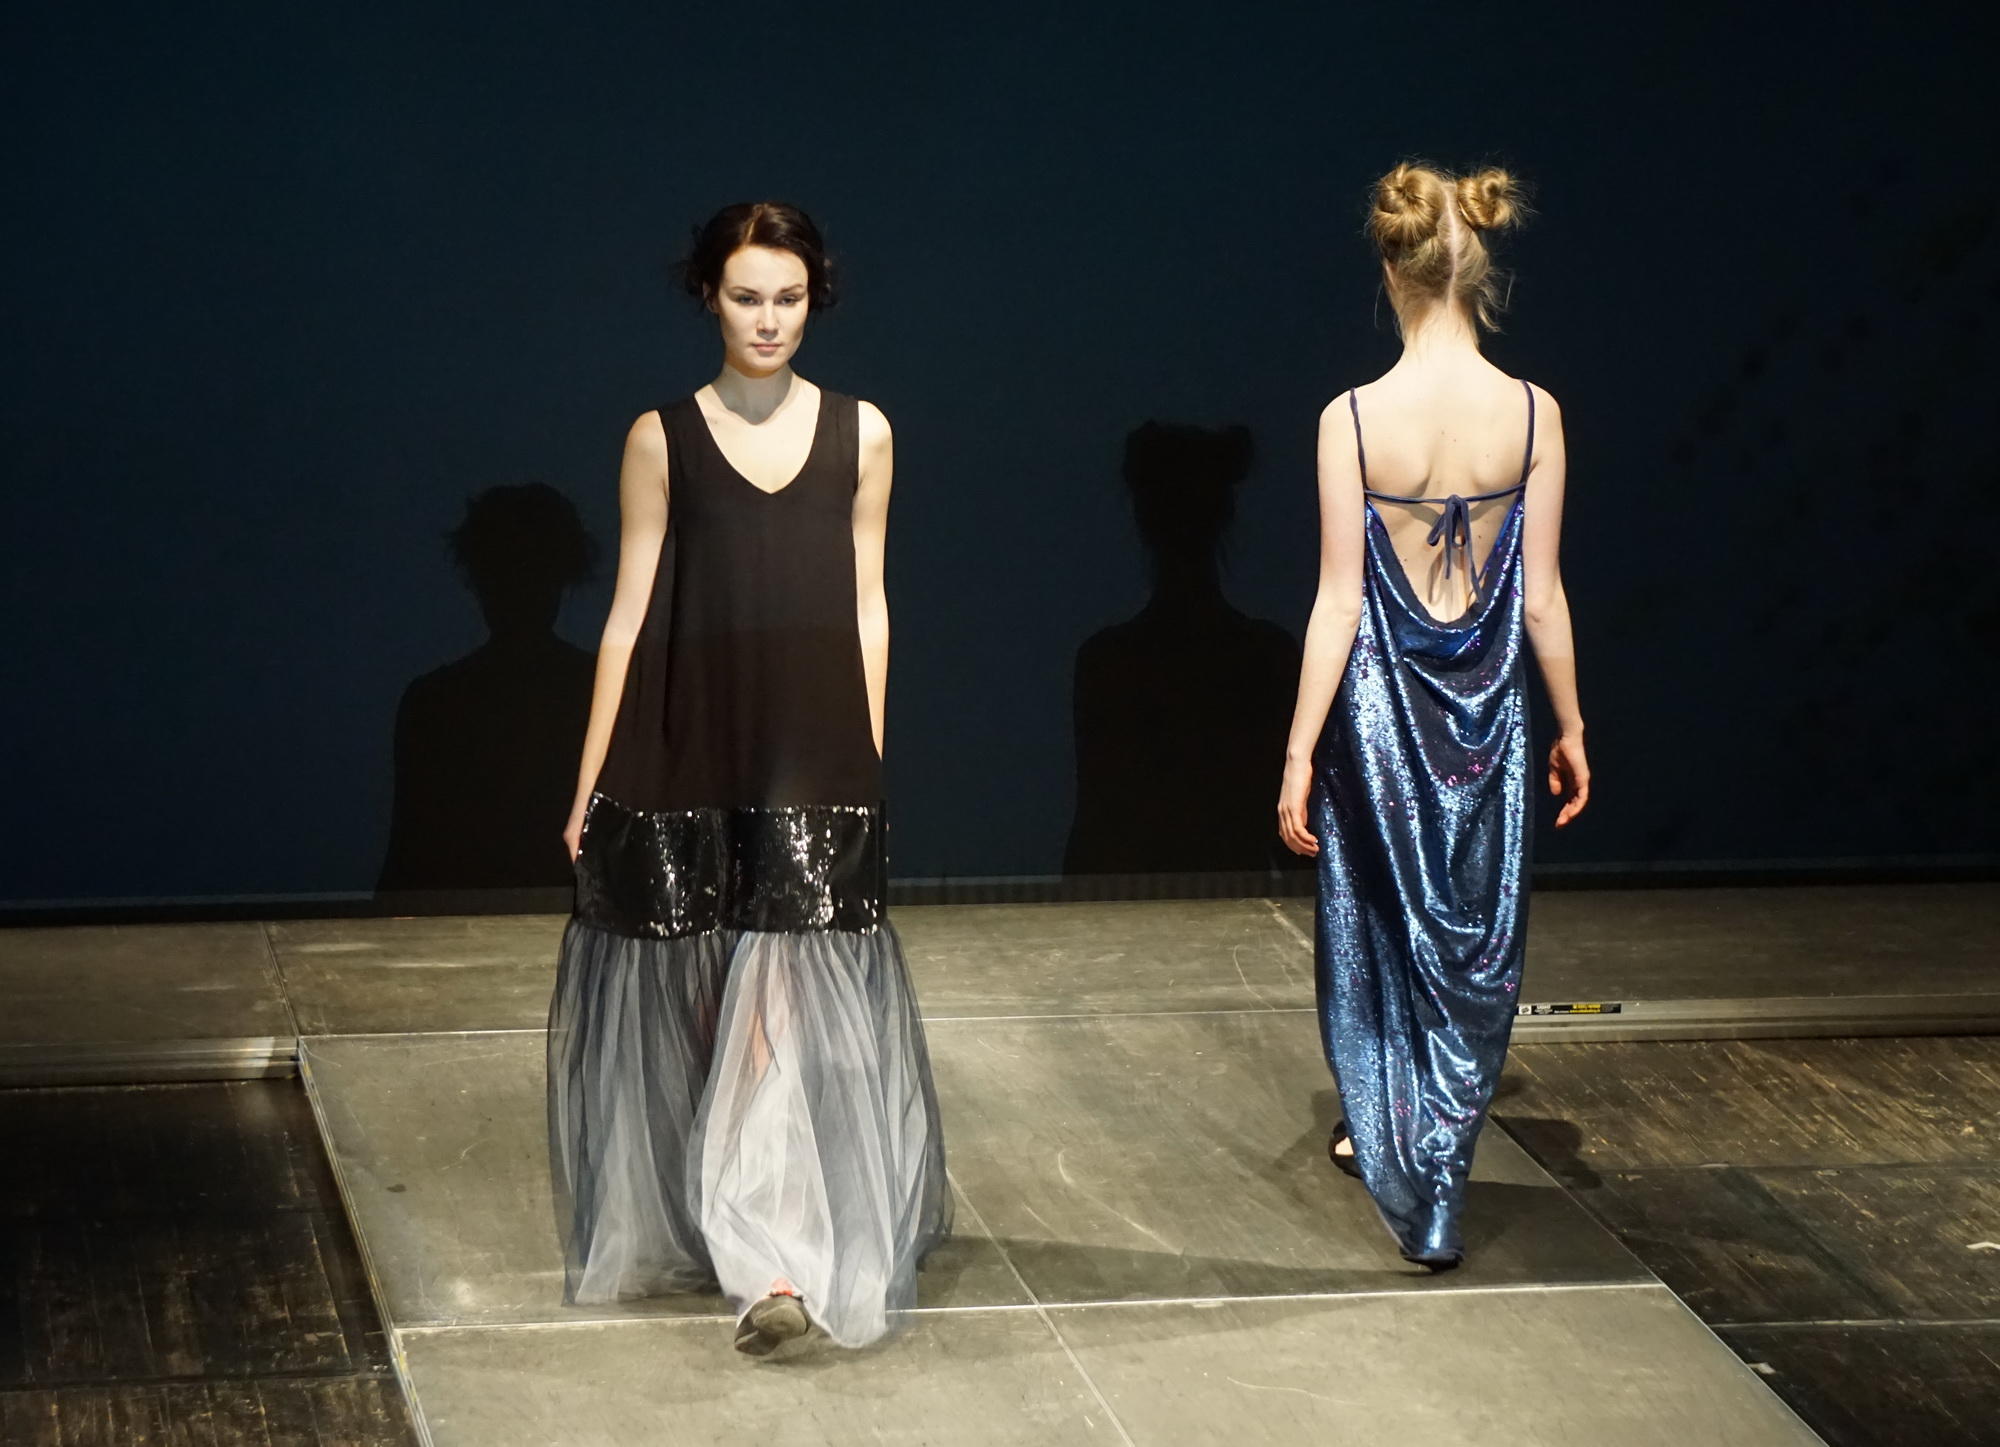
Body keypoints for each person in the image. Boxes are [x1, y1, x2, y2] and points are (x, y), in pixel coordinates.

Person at [545, 202, 950, 1356]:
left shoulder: (862, 432)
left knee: (779, 999)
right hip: (688, 735)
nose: (768, 320)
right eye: (745, 297)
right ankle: (737, 1226)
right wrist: (588, 780)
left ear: (815, 298)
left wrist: (864, 751)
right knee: (704, 995)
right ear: (707, 298)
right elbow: (627, 613)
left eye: (788, 298)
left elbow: (868, 602)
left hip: (810, 741)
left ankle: (767, 1258)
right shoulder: (661, 437)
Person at [1277, 163, 1590, 1270]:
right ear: (1479, 268)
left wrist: (1297, 749)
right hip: (1490, 709)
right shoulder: (1533, 414)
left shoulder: (1353, 419)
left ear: (1391, 270)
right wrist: (1571, 724)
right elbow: (1540, 596)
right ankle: (1437, 1152)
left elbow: (1338, 600)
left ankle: (1394, 1137)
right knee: (1473, 927)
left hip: (1377, 709)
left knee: (1379, 917)